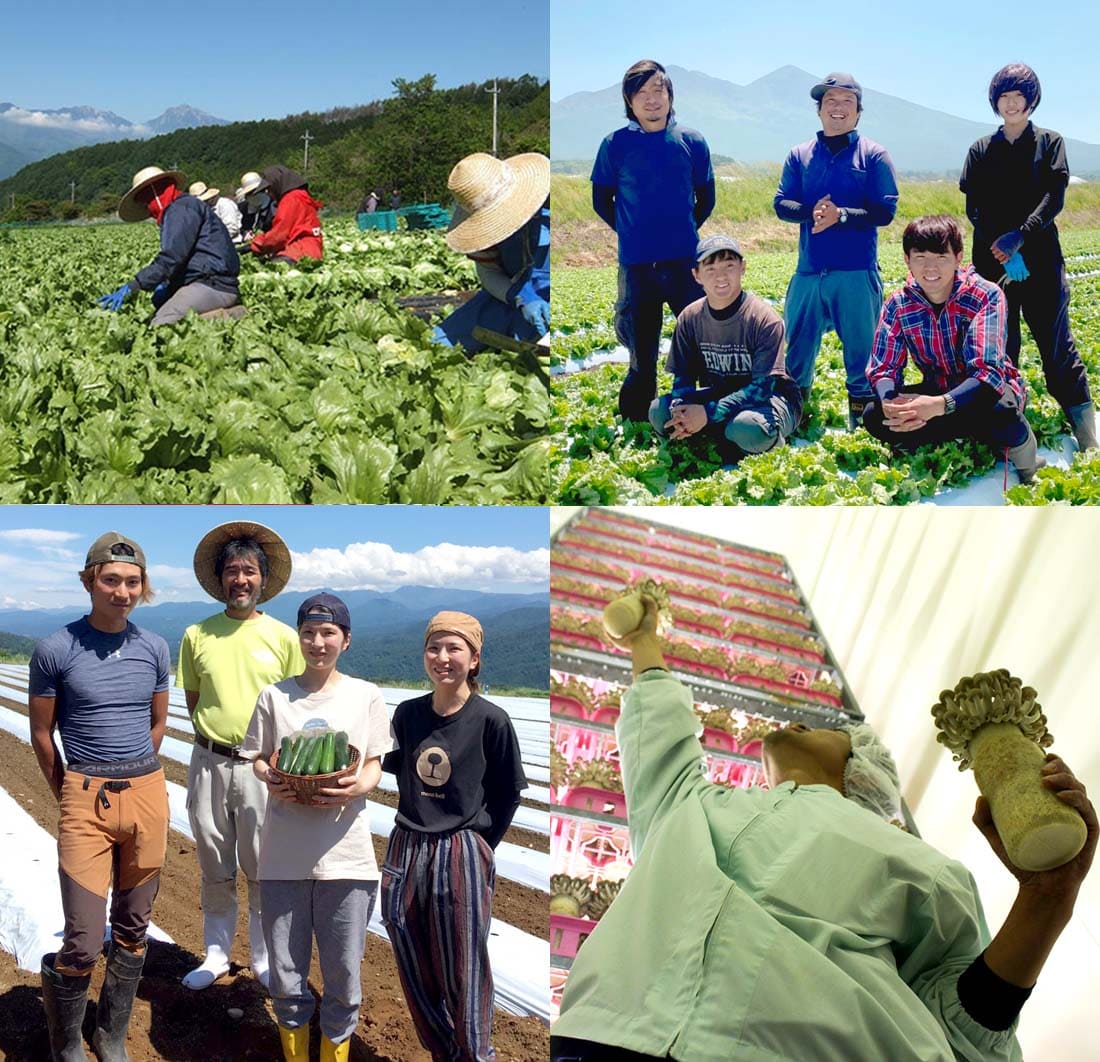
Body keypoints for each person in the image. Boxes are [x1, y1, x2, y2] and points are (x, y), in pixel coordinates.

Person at [551, 595, 1096, 1061]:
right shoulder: (691, 805)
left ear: (863, 770)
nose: (797, 722)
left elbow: (965, 1027)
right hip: (604, 1037)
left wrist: (1048, 899)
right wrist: (644, 637)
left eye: (828, 728)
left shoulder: (922, 865)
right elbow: (658, 727)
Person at [29, 533, 171, 1061]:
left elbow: (157, 723)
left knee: (134, 928)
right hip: (85, 797)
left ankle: (110, 1036)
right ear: (90, 581)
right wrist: (69, 788)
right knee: (84, 940)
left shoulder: (154, 647)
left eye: (133, 582)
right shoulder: (55, 649)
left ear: (143, 587)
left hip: (147, 794)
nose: (122, 591)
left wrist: (137, 777)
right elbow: (42, 734)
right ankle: (65, 1042)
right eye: (111, 580)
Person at [243, 593, 394, 1062]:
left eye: (328, 633)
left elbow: (373, 765)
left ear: (345, 640)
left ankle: (333, 1055)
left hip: (346, 857)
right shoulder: (274, 696)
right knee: (287, 975)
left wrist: (353, 790)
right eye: (308, 632)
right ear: (299, 637)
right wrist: (271, 778)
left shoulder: (365, 695)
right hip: (283, 856)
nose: (317, 642)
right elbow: (259, 759)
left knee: (344, 975)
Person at [381, 612, 527, 1062]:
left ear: (475, 658)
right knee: (404, 941)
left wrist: (480, 846)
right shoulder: (408, 715)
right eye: (434, 648)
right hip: (407, 843)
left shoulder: (491, 721)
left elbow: (507, 795)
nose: (442, 658)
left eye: (454, 649)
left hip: (460, 849)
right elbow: (395, 770)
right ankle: (446, 1051)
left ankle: (475, 1052)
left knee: (463, 963)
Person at [177, 521, 305, 991]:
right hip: (209, 762)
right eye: (232, 571)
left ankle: (262, 957)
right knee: (213, 858)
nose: (241, 580)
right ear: (220, 579)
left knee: (261, 863)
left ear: (263, 580)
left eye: (249, 571)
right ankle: (215, 954)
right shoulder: (196, 635)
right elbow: (195, 700)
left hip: (261, 766)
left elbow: (296, 705)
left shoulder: (284, 638)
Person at [960, 63, 1097, 452]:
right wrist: (1000, 248)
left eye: (1019, 96)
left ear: (1031, 101)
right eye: (1004, 96)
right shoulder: (982, 149)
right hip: (993, 260)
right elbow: (975, 207)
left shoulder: (1049, 143)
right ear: (995, 101)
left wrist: (1020, 235)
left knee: (1055, 343)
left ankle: (1086, 434)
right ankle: (1012, 431)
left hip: (1040, 257)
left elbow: (1054, 196)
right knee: (1002, 344)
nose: (1011, 103)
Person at [863, 215, 1043, 483]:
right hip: (938, 388)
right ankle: (945, 432)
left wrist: (939, 405)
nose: (930, 267)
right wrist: (891, 403)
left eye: (941, 256)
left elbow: (988, 374)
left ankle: (1027, 463)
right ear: (907, 260)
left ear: (958, 257)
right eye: (920, 256)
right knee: (874, 414)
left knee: (1002, 412)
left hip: (981, 395)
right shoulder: (898, 304)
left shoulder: (986, 295)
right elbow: (884, 367)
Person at [592, 60, 715, 422]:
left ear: (670, 95)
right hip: (638, 266)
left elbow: (706, 197)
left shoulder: (691, 140)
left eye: (658, 90)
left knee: (699, 342)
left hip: (684, 264)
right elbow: (602, 200)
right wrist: (631, 231)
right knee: (641, 352)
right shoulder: (615, 144)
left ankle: (701, 410)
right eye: (641, 93)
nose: (651, 100)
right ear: (629, 101)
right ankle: (636, 420)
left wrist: (683, 229)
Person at [774, 73, 899, 429]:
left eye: (847, 101)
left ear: (858, 112)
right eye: (830, 101)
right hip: (809, 271)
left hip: (856, 272)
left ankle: (863, 425)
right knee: (796, 353)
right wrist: (812, 211)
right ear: (819, 111)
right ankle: (793, 419)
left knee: (861, 357)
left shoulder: (873, 155)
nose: (838, 108)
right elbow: (782, 203)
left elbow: (884, 212)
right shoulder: (800, 155)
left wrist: (841, 215)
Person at [648, 234, 802, 464]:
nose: (720, 276)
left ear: (743, 268)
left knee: (745, 427)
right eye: (710, 269)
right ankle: (719, 433)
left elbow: (761, 389)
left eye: (729, 266)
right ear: (696, 275)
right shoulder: (689, 318)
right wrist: (681, 410)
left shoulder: (764, 319)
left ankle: (765, 439)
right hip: (721, 394)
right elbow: (683, 377)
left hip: (771, 399)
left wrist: (706, 414)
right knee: (659, 412)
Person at [433, 152, 550, 354]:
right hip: (510, 298)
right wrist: (521, 297)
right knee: (438, 343)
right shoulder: (484, 235)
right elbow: (488, 272)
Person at [97, 166, 241, 325]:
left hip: (214, 285)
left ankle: (232, 315)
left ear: (154, 194)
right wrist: (166, 285)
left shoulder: (181, 209)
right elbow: (183, 258)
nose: (149, 210)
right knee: (159, 309)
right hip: (205, 280)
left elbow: (172, 256)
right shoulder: (181, 208)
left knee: (162, 324)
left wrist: (135, 284)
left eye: (147, 203)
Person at [246, 165, 324, 263]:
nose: (269, 193)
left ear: (277, 185)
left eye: (270, 189)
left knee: (271, 268)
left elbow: (279, 235)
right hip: (312, 249)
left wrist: (254, 245)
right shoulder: (300, 195)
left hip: (300, 250)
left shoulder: (290, 199)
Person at [237, 171, 275, 240]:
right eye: (248, 194)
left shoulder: (274, 206)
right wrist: (245, 233)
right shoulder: (243, 208)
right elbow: (243, 227)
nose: (249, 197)